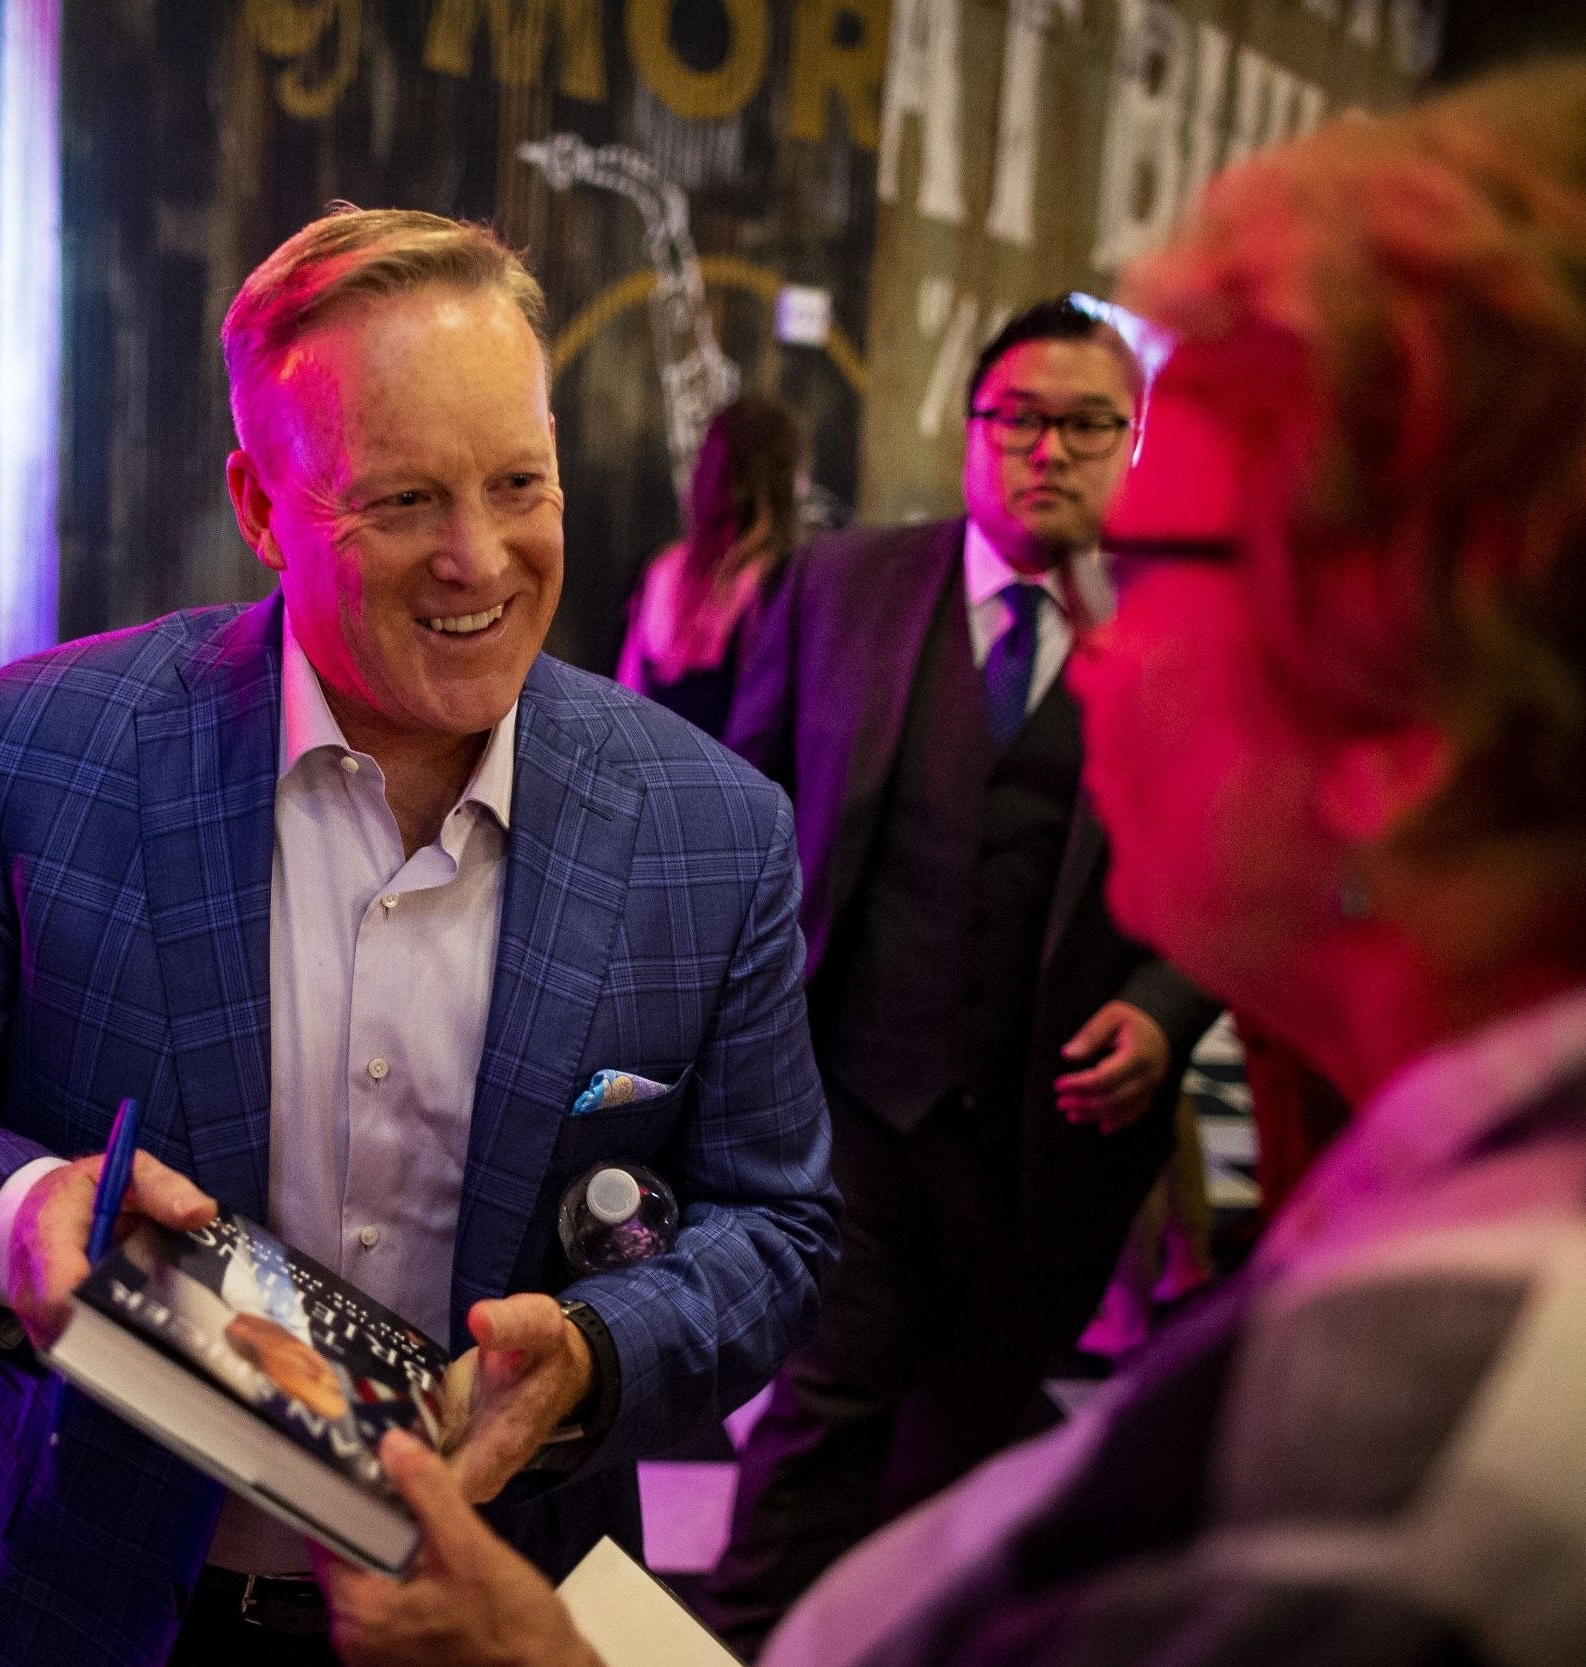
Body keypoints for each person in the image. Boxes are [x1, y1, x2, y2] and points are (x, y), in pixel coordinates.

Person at [313, 58, 1586, 1667]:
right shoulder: (1431, 1242)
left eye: (1161, 561)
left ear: (1406, 707)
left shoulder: (1393, 1446)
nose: (1108, 646)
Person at [0, 206, 839, 1666]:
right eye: (399, 501)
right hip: (68, 1587)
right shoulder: (48, 746)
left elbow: (774, 1223)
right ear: (261, 508)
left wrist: (590, 1355)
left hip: (483, 1606)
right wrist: (19, 1221)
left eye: (518, 483)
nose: (480, 559)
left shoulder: (714, 828)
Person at [700, 294, 1221, 1653]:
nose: (1047, 448)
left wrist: (1166, 1011)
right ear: (974, 428)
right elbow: (746, 806)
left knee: (964, 1461)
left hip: (1056, 1137)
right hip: (852, 1106)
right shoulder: (840, 584)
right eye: (1018, 418)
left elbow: (1236, 864)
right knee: (816, 1423)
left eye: (1086, 422)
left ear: (1133, 441)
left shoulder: (1186, 635)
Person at [615, 393, 804, 738]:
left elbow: (623, 705)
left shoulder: (660, 571)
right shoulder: (782, 586)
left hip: (653, 783)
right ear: (786, 485)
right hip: (737, 787)